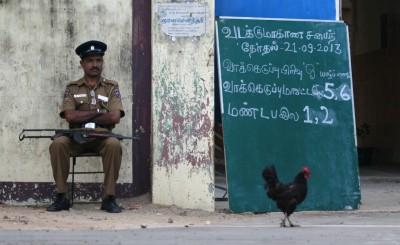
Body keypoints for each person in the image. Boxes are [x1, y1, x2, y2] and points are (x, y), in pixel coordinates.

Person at [47, 40, 125, 213]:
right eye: (90, 60)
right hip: (75, 136)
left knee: (114, 145)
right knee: (57, 144)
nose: (95, 64)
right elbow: (69, 115)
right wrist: (98, 111)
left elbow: (115, 116)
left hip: (102, 137)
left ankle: (109, 198)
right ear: (82, 63)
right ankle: (62, 196)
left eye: (98, 60)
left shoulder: (111, 87)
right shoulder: (72, 88)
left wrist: (83, 114)